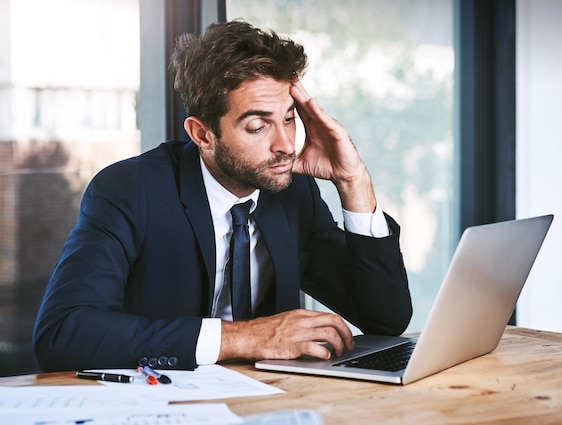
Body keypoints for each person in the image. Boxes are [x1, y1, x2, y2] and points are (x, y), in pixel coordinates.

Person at [32, 20, 412, 372]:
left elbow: (385, 320)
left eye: (289, 118)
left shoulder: (292, 192)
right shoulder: (130, 190)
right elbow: (62, 333)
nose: (285, 145)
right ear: (202, 135)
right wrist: (247, 338)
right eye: (258, 126)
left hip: (268, 402)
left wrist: (353, 182)